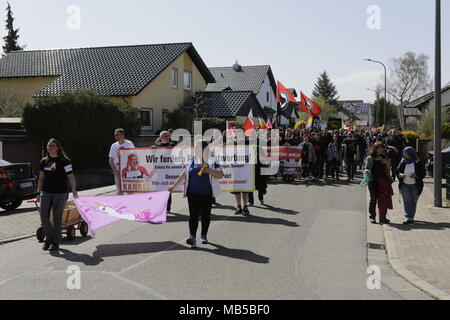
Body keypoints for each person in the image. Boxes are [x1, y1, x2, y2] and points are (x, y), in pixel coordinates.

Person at [169, 141, 224, 246]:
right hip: (192, 193)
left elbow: (220, 175)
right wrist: (173, 186)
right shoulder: (191, 160)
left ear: (204, 149)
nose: (195, 150)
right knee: (193, 216)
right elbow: (183, 175)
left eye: (197, 148)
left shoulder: (212, 161)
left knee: (205, 216)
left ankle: (204, 236)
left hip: (207, 193)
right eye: (195, 148)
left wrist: (208, 170)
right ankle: (192, 237)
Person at [37, 139, 78, 252]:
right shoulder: (44, 161)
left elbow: (70, 177)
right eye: (48, 145)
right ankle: (49, 238)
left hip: (60, 193)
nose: (50, 147)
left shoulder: (65, 161)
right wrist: (38, 192)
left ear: (57, 148)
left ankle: (55, 242)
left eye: (52, 146)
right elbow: (41, 178)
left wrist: (74, 190)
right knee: (43, 215)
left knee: (57, 217)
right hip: (46, 192)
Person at [397, 147, 426, 224]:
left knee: (413, 201)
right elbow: (397, 171)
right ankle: (408, 217)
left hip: (415, 185)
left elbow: (423, 173)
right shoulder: (403, 161)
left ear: (410, 153)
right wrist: (400, 175)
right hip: (404, 184)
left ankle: (411, 217)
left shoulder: (417, 161)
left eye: (405, 153)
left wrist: (416, 175)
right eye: (403, 152)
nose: (403, 154)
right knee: (407, 200)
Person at [366, 142, 393, 225]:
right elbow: (366, 168)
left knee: (383, 200)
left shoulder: (384, 157)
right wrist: (367, 171)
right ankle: (372, 217)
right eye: (380, 148)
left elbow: (388, 169)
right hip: (373, 181)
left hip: (383, 181)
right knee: (373, 198)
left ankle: (382, 217)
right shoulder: (370, 158)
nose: (382, 149)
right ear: (376, 149)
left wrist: (387, 163)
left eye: (383, 148)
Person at [154, 131, 176, 213]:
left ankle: (167, 207)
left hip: (169, 171)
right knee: (158, 189)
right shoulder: (158, 146)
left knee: (168, 189)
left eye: (167, 136)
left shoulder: (172, 145)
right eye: (165, 136)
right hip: (160, 171)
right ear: (161, 138)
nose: (167, 137)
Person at [109, 129, 135, 195]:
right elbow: (111, 160)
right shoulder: (113, 146)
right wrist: (115, 171)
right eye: (115, 135)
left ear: (122, 135)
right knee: (120, 191)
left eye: (117, 135)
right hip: (118, 171)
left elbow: (135, 156)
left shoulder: (129, 144)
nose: (116, 136)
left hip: (128, 170)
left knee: (130, 190)